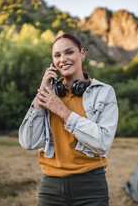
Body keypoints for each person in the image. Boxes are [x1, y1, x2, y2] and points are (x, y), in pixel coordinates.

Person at [19, 33, 119, 206]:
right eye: (57, 55)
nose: (63, 59)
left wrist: (63, 112)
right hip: (51, 188)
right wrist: (40, 98)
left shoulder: (104, 92)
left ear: (82, 54)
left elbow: (102, 142)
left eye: (69, 52)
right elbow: (28, 142)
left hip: (91, 187)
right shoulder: (48, 95)